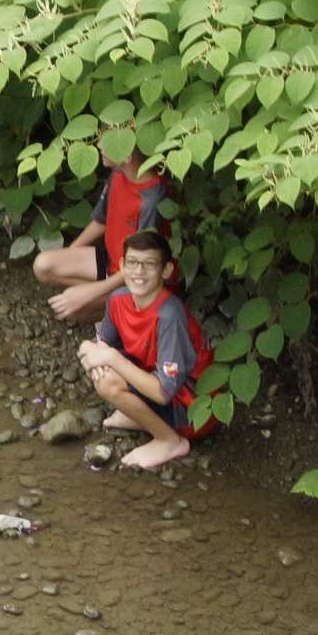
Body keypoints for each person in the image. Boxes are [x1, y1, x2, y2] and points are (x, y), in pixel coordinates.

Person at [78, 230, 210, 472]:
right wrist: (89, 350)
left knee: (107, 380)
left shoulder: (169, 314)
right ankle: (139, 416)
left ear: (166, 270)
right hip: (152, 378)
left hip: (192, 408)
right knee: (101, 364)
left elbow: (163, 392)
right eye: (132, 262)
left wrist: (109, 358)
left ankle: (169, 441)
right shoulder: (117, 299)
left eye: (149, 264)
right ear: (121, 266)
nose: (139, 271)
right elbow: (104, 346)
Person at [34, 138, 175, 323]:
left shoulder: (151, 198)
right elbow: (101, 221)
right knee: (43, 266)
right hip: (112, 261)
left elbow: (141, 264)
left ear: (127, 155)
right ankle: (109, 303)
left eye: (107, 142)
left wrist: (89, 293)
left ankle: (117, 314)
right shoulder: (118, 174)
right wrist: (69, 254)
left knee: (76, 310)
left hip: (137, 277)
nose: (99, 145)